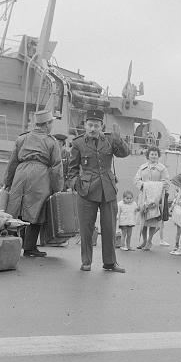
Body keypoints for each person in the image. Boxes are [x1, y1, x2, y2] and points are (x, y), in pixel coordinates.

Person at [67, 109, 130, 273]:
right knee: (86, 228)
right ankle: (86, 261)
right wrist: (76, 184)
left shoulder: (110, 139)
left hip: (107, 189)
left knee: (109, 227)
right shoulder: (78, 143)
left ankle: (110, 263)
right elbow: (71, 170)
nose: (93, 129)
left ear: (102, 126)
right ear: (85, 125)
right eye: (90, 125)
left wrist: (119, 141)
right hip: (86, 190)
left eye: (96, 125)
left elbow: (125, 153)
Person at [3, 109, 64, 257]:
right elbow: (56, 166)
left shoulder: (22, 138)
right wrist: (58, 188)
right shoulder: (51, 141)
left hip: (21, 172)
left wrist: (8, 182)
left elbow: (13, 162)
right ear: (48, 124)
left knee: (17, 208)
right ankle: (29, 247)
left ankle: (12, 243)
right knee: (37, 208)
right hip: (40, 174)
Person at [133, 145, 170, 249]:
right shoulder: (142, 167)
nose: (154, 156)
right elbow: (136, 180)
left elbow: (166, 182)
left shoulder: (162, 169)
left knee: (153, 219)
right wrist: (144, 185)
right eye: (152, 154)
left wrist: (154, 186)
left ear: (158, 156)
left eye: (156, 154)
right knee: (143, 219)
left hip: (156, 198)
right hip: (143, 197)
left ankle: (150, 241)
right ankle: (144, 241)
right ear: (148, 155)